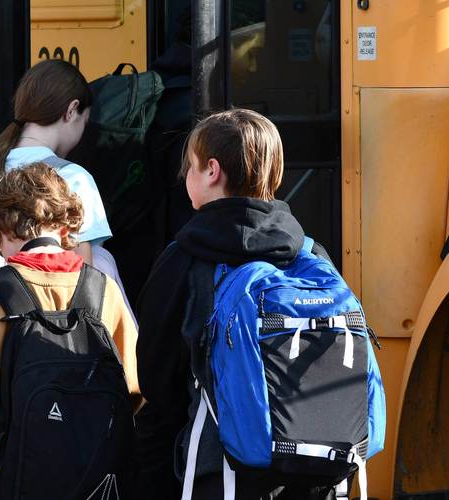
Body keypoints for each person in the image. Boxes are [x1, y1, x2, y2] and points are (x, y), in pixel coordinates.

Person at [133, 109, 334, 499]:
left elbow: (158, 387)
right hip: (311, 473)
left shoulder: (184, 261)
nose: (185, 178)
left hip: (219, 474)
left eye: (189, 167)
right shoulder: (311, 257)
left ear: (211, 171)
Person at [0, 163, 139, 500]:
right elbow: (135, 388)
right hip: (94, 478)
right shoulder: (102, 290)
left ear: (5, 229)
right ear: (64, 226)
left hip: (3, 477)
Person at [0, 59, 133, 313]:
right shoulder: (73, 178)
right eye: (84, 122)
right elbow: (87, 278)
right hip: (47, 323)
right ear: (71, 111)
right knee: (104, 261)